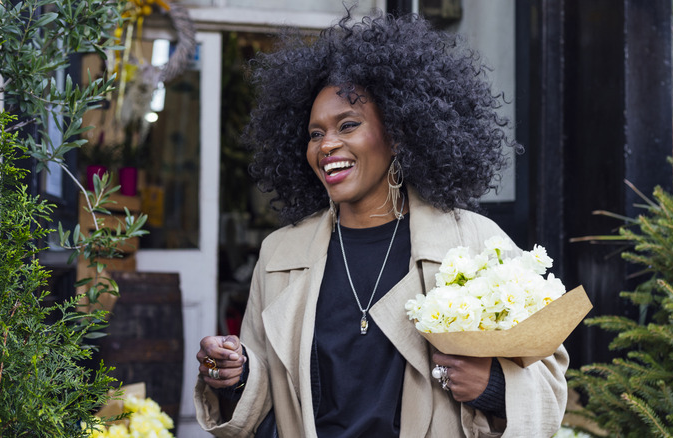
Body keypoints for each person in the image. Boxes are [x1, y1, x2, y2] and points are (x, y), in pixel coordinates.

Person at [194, 10, 568, 438]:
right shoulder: (281, 254)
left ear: (397, 133)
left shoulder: (473, 243)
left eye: (347, 125)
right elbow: (266, 395)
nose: (327, 144)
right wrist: (236, 373)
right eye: (315, 134)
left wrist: (491, 387)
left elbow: (549, 381)